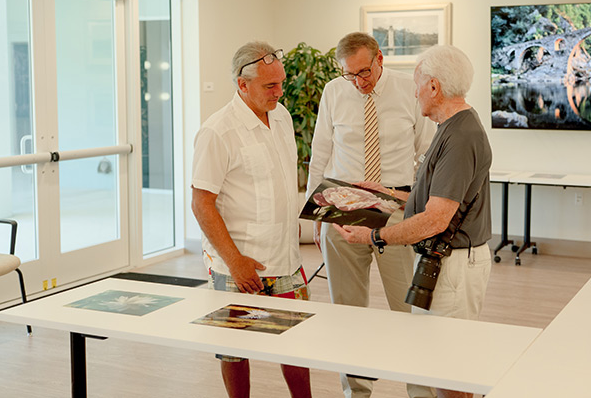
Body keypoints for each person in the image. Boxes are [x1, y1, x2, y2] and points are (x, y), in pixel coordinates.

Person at [335, 44, 493, 398]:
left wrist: (373, 237)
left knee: (450, 372)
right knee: (439, 363)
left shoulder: (460, 136)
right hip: (445, 262)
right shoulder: (451, 128)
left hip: (454, 265)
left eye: (418, 83)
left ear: (434, 87)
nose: (414, 91)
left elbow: (435, 219)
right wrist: (387, 193)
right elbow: (439, 198)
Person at [307, 32, 435, 398]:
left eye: (364, 72)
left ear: (380, 59)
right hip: (344, 207)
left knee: (408, 309)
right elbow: (320, 153)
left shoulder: (408, 90)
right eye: (350, 74)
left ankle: (421, 392)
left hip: (396, 205)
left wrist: (418, 208)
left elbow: (426, 152)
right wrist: (317, 214)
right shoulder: (334, 92)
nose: (358, 82)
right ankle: (356, 391)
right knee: (347, 313)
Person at [191, 41, 312, 398]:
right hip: (238, 263)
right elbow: (201, 203)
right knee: (234, 349)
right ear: (242, 84)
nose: (279, 91)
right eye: (270, 85)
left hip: (286, 258)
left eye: (281, 82)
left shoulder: (282, 116)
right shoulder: (218, 131)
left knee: (298, 342)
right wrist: (235, 261)